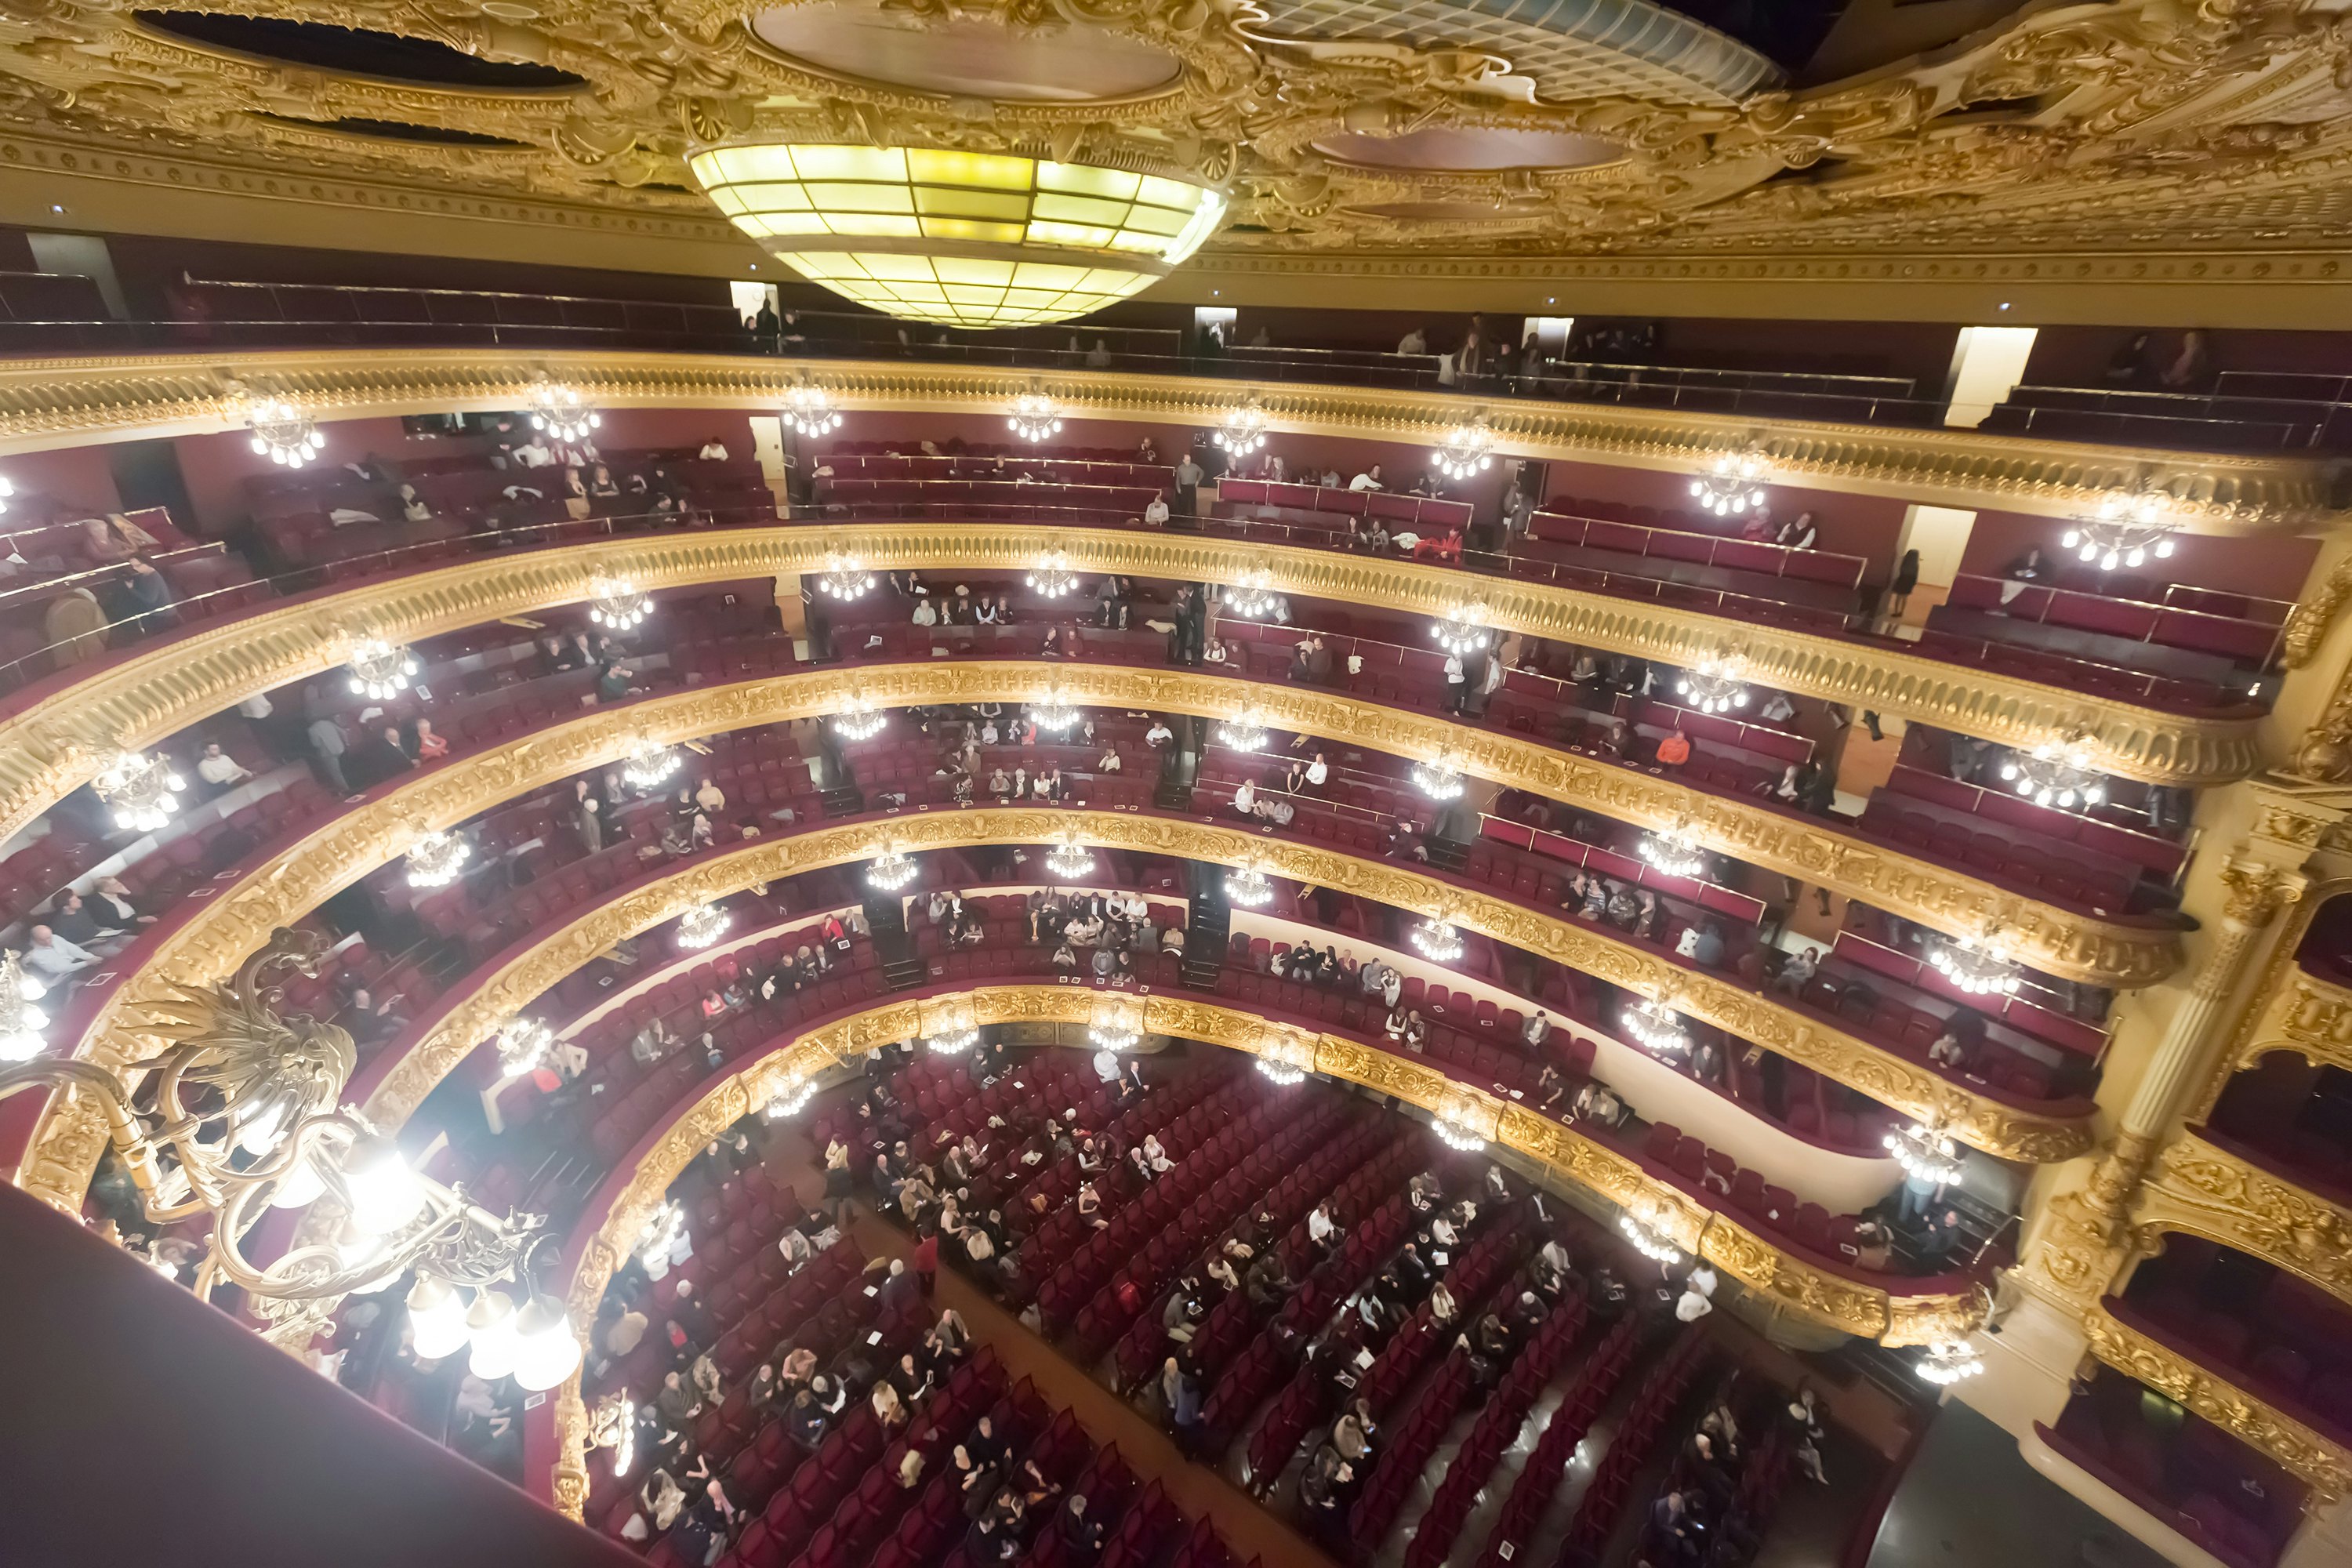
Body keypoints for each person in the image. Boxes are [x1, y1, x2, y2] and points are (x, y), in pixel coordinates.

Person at [21, 924, 96, 987]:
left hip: (77, 965)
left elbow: (75, 950)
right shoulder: (35, 955)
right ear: (35, 940)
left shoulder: (55, 937)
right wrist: (87, 963)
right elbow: (63, 969)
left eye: (49, 938)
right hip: (63, 977)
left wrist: (92, 958)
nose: (47, 942)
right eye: (42, 940)